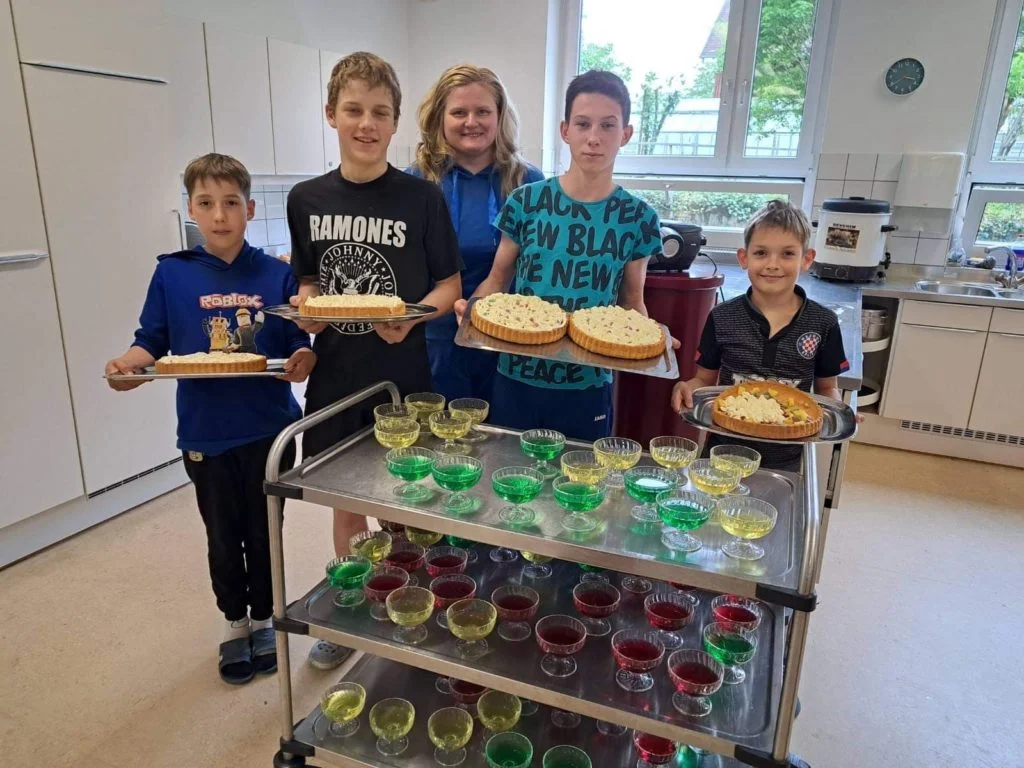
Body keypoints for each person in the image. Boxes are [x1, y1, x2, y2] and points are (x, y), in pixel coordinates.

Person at [104, 153, 316, 685]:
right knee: (222, 535)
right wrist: (129, 365)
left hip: (268, 430)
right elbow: (150, 339)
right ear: (191, 210)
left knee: (265, 531)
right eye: (205, 204)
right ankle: (234, 621)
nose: (219, 215)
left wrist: (302, 361)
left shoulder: (276, 273)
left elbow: (297, 342)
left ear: (248, 209)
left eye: (229, 204)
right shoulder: (171, 273)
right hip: (205, 432)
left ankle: (266, 619)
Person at [287, 52, 462, 669]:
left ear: (395, 125)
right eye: (354, 110)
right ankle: (354, 601)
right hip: (336, 375)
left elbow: (448, 286)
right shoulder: (305, 199)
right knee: (346, 502)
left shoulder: (422, 198)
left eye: (379, 113)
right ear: (331, 114)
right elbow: (308, 280)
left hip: (401, 378)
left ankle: (408, 605)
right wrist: (306, 309)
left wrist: (414, 315)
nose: (366, 123)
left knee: (407, 498)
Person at [454, 70, 664, 439]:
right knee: (510, 485)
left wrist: (650, 339)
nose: (594, 138)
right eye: (583, 124)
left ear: (626, 135)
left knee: (579, 488)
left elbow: (632, 301)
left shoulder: (638, 218)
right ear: (565, 130)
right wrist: (473, 312)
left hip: (587, 386)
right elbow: (498, 279)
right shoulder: (527, 202)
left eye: (608, 126)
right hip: (516, 377)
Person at [670, 200, 850, 472]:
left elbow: (827, 389)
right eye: (761, 253)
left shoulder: (823, 323)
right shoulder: (722, 317)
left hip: (785, 459)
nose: (773, 264)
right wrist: (686, 388)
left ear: (806, 259)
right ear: (744, 258)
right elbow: (704, 381)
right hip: (721, 453)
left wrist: (839, 412)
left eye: (788, 254)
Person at [406, 65, 544, 402]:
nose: (472, 121)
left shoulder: (529, 183)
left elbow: (541, 268)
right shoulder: (415, 183)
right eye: (459, 112)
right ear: (440, 117)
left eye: (483, 111)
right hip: (433, 341)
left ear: (500, 116)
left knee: (501, 441)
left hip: (507, 342)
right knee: (442, 439)